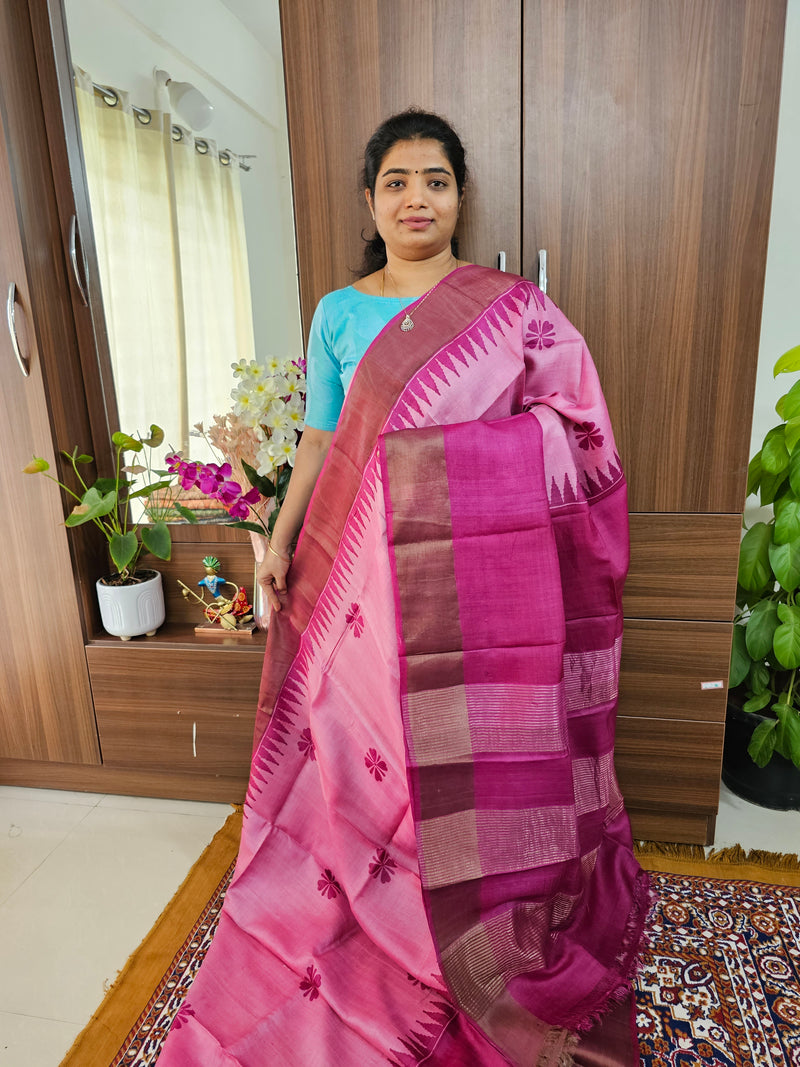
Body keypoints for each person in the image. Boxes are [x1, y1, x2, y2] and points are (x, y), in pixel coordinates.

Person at [159, 109, 651, 1066]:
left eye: (434, 179)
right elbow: (319, 439)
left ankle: (462, 920)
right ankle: (370, 907)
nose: (415, 197)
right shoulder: (341, 313)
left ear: (460, 196)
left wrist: (450, 465)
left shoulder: (516, 308)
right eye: (396, 181)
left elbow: (578, 429)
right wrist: (278, 532)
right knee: (365, 751)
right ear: (371, 200)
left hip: (471, 599)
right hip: (361, 584)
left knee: (459, 759)